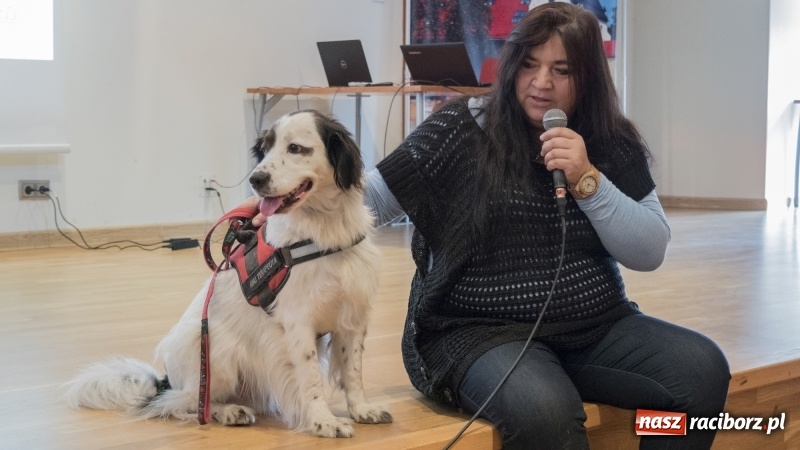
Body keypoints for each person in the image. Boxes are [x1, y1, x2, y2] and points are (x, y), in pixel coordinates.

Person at [241, 4, 730, 448]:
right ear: (512, 66)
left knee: (700, 372)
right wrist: (283, 198)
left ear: (588, 79)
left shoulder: (610, 141)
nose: (541, 83)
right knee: (546, 413)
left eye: (561, 71)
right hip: (475, 335)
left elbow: (649, 251)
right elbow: (366, 199)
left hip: (594, 328)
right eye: (530, 66)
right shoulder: (459, 130)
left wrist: (588, 180)